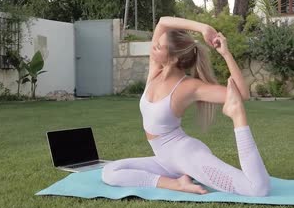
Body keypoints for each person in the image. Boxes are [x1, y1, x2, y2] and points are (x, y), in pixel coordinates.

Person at [101, 17, 270, 196]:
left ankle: (237, 115)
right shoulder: (155, 72)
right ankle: (176, 184)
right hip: (165, 161)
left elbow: (241, 94)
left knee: (257, 189)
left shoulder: (188, 87)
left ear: (173, 58)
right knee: (110, 172)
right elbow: (163, 23)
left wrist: (226, 54)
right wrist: (203, 27)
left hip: (186, 155)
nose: (153, 47)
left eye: (159, 46)